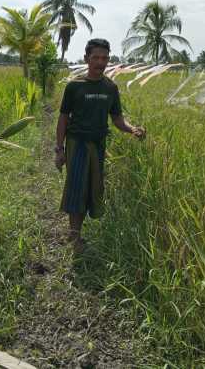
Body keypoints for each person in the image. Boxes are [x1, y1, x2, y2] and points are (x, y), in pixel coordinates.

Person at [55, 38, 145, 253]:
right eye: (95, 57)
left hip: (98, 145)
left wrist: (133, 129)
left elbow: (117, 120)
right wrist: (59, 149)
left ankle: (77, 234)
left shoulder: (110, 88)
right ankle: (75, 239)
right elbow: (63, 119)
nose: (100, 62)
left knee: (92, 190)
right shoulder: (74, 86)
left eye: (104, 58)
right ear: (86, 58)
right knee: (77, 189)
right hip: (77, 144)